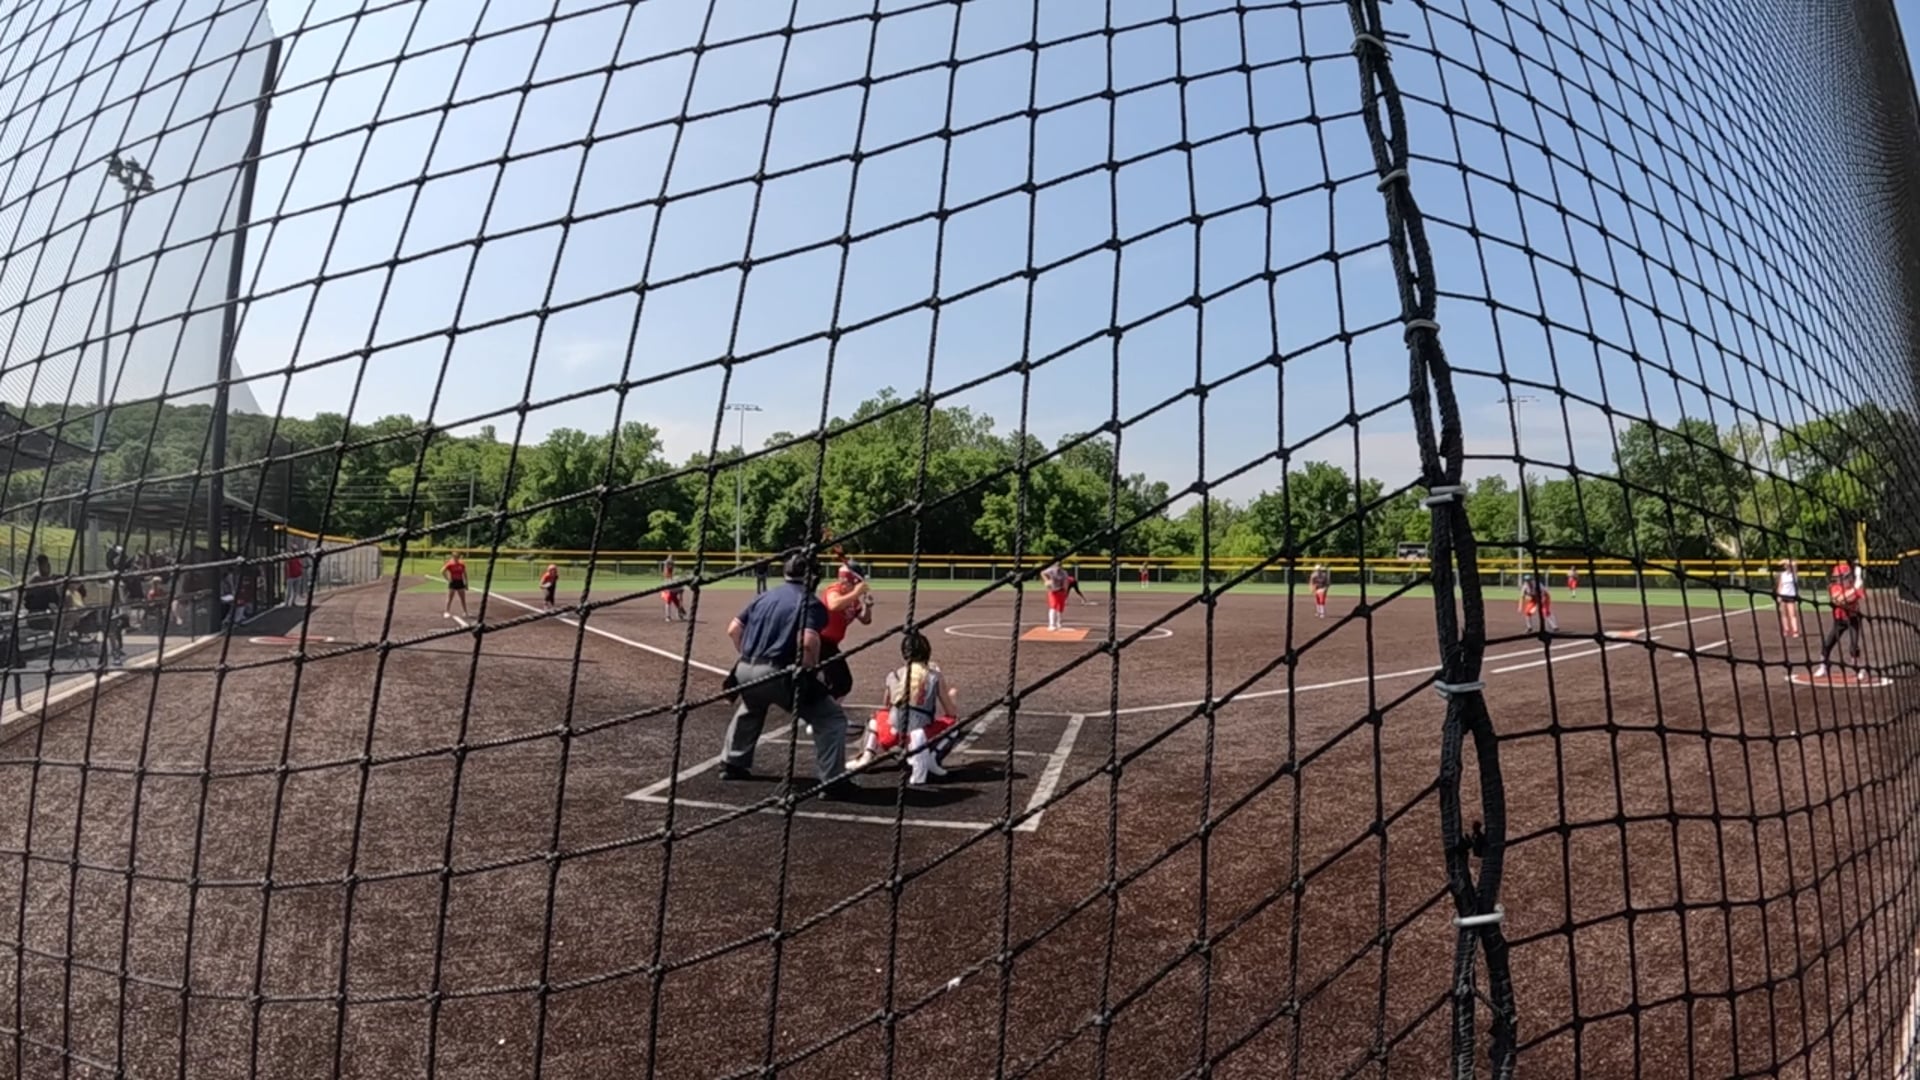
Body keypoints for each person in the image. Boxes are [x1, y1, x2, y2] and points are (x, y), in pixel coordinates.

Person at [721, 552, 859, 799]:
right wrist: (810, 671)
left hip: (744, 669)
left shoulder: (763, 596)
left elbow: (733, 630)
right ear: (812, 577)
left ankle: (732, 763)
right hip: (778, 672)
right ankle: (832, 782)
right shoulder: (810, 602)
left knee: (751, 706)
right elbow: (807, 642)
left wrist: (749, 655)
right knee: (831, 718)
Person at [849, 630, 963, 785]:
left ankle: (866, 756)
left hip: (893, 734)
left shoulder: (894, 675)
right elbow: (951, 712)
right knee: (955, 724)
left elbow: (886, 706)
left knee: (877, 717)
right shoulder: (934, 676)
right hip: (922, 733)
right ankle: (932, 759)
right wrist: (952, 696)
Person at [818, 563, 872, 701]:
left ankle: (828, 710)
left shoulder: (853, 600)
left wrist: (868, 606)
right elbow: (834, 605)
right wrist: (856, 593)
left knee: (842, 684)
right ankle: (825, 711)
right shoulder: (834, 590)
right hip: (819, 642)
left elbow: (865, 620)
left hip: (831, 645)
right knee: (839, 683)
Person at [1814, 561, 1864, 679]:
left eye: (1839, 577)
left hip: (1853, 619)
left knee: (1854, 646)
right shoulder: (1835, 587)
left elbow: (1852, 598)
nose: (1837, 580)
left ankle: (1858, 669)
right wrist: (1855, 588)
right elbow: (1839, 600)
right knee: (1827, 644)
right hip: (1839, 620)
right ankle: (1823, 667)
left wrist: (1855, 588)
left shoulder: (1855, 587)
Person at [1041, 561, 1071, 631]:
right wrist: (1047, 580)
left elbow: (1065, 582)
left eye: (1059, 566)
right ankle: (1051, 624)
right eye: (1057, 566)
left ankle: (1058, 623)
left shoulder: (1064, 573)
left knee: (1060, 607)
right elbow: (1042, 573)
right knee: (1053, 606)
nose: (1058, 567)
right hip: (1052, 590)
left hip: (1060, 590)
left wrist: (1065, 591)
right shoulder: (1051, 570)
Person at [1776, 558, 1801, 639]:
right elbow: (1780, 585)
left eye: (1788, 566)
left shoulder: (1794, 574)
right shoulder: (1783, 575)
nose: (1787, 567)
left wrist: (1785, 560)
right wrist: (1778, 595)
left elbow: (1795, 564)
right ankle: (1786, 630)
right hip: (1783, 595)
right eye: (1786, 566)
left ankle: (1795, 631)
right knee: (1784, 614)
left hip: (1791, 596)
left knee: (1792, 614)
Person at [441, 552, 469, 619]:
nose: (457, 558)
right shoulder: (450, 564)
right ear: (453, 557)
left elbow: (465, 574)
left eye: (458, 557)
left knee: (463, 598)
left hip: (460, 582)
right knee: (450, 598)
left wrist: (466, 583)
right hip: (453, 582)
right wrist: (448, 579)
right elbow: (442, 571)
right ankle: (446, 612)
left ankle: (465, 612)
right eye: (455, 557)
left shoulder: (462, 564)